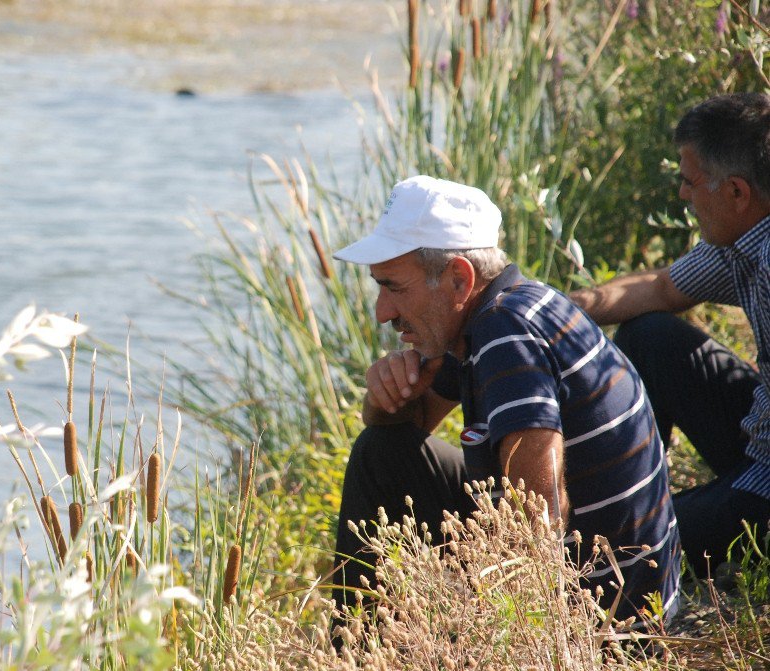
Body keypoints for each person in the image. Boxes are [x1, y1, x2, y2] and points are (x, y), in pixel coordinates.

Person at [330, 175, 681, 627]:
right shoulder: (509, 309)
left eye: (394, 288)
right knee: (380, 451)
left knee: (375, 457)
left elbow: (540, 519)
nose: (382, 312)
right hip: (641, 597)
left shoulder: (505, 335)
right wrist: (384, 397)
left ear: (459, 279)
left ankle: (355, 654)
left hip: (610, 625)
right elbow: (404, 434)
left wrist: (485, 628)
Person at [570, 92, 770, 580]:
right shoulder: (740, 242)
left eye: (689, 181)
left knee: (609, 554)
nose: (682, 194)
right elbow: (658, 289)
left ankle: (632, 527)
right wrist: (554, 316)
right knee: (649, 334)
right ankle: (624, 494)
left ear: (737, 192)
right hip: (760, 435)